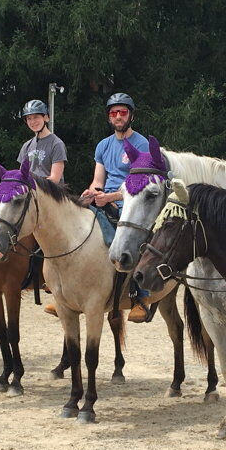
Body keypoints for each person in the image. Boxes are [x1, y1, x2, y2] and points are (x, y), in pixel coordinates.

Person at [80, 92, 151, 322]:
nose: (118, 116)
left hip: (132, 202)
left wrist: (111, 198)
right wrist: (94, 192)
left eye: (122, 112)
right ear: (109, 117)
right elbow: (98, 179)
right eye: (113, 113)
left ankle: (140, 297)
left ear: (131, 115)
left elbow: (140, 184)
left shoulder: (142, 144)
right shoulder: (103, 145)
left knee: (135, 240)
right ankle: (69, 291)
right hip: (107, 199)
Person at [16, 99, 66, 183]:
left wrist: (33, 185)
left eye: (36, 117)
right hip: (31, 192)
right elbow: (22, 174)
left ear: (46, 118)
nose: (32, 122)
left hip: (51, 193)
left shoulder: (56, 144)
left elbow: (55, 179)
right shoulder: (26, 146)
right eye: (29, 118)